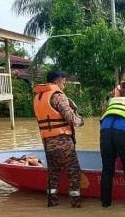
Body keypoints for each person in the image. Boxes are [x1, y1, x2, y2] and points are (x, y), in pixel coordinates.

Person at [33, 70, 84, 208]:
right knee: (74, 171)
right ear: (57, 81)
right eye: (63, 80)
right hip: (63, 142)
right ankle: (75, 204)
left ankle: (52, 203)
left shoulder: (38, 98)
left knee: (53, 175)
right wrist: (80, 120)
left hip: (47, 143)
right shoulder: (57, 96)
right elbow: (71, 119)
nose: (64, 83)